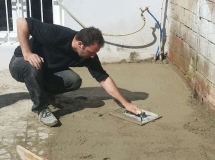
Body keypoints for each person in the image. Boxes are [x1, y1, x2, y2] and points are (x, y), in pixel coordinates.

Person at [9, 17, 141, 127]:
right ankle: (41, 108)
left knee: (73, 80)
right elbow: (22, 22)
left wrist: (125, 103)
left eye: (95, 53)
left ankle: (46, 94)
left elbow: (103, 78)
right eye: (91, 52)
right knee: (33, 66)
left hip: (46, 70)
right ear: (80, 44)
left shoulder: (90, 55)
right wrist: (27, 53)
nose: (93, 56)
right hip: (20, 63)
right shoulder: (56, 34)